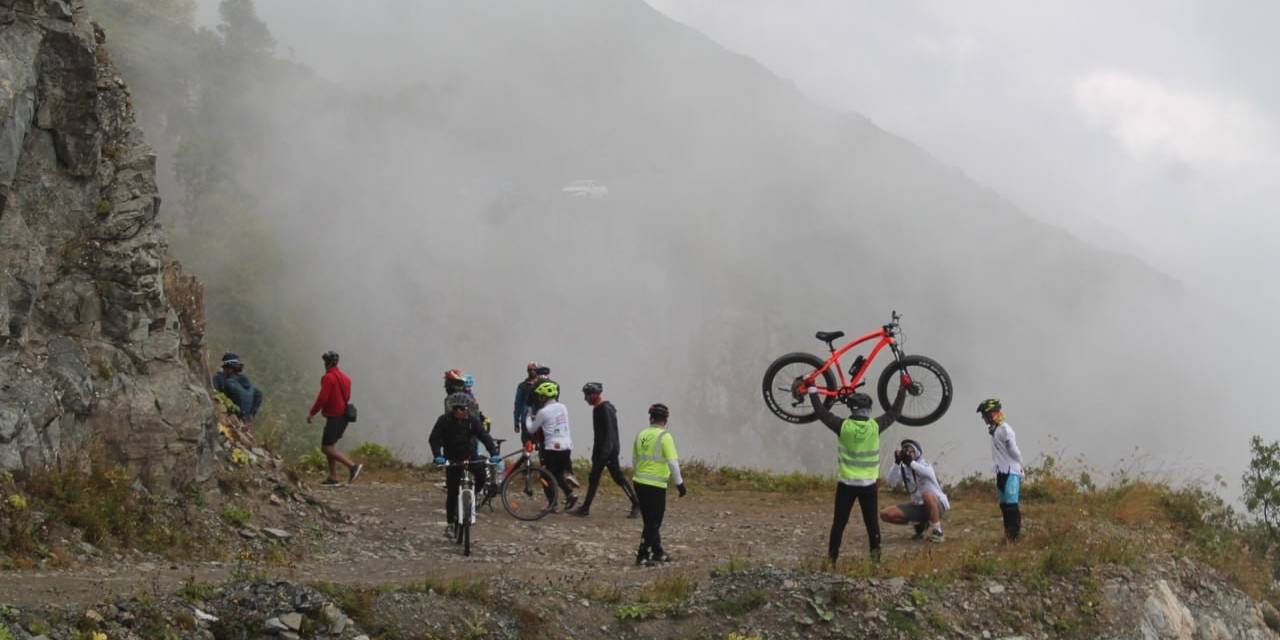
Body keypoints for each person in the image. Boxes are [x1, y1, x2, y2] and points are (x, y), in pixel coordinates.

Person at [807, 384, 907, 564]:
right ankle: (876, 563)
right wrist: (903, 388)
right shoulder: (875, 426)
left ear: (851, 409)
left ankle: (831, 561)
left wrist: (812, 390)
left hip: (846, 484)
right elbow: (895, 412)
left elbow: (822, 413)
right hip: (868, 485)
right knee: (872, 524)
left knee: (839, 524)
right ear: (868, 409)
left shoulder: (843, 426)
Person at [430, 392, 501, 538]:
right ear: (454, 409)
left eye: (466, 408)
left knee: (482, 476)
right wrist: (438, 456)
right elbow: (434, 439)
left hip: (470, 457)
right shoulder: (444, 421)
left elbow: (484, 436)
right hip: (453, 460)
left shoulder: (472, 421)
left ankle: (473, 497)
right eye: (462, 409)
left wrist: (493, 453)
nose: (465, 411)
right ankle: (450, 524)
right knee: (452, 492)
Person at [572, 382, 640, 518]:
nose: (585, 399)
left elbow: (610, 433)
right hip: (601, 451)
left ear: (595, 395)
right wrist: (596, 452)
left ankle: (636, 503)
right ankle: (585, 508)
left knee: (618, 478)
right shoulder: (597, 409)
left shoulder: (605, 409)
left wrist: (605, 453)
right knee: (594, 478)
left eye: (587, 395)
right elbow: (599, 435)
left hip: (608, 451)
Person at [631, 402, 685, 566]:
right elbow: (673, 462)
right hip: (655, 485)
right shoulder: (665, 437)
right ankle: (642, 555)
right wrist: (679, 484)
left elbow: (634, 459)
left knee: (649, 519)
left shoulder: (641, 434)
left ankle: (657, 551)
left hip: (639, 482)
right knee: (654, 521)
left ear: (651, 418)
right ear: (666, 420)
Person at [307, 351, 363, 486]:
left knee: (326, 448)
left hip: (334, 417)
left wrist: (312, 413)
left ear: (328, 363)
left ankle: (352, 466)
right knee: (330, 445)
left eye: (325, 362)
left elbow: (322, 398)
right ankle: (333, 477)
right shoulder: (346, 379)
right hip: (343, 416)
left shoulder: (328, 378)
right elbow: (347, 397)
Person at [880, 438, 950, 543]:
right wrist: (897, 463)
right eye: (905, 451)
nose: (908, 453)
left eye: (910, 451)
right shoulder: (905, 470)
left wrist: (911, 463)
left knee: (927, 495)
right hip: (919, 506)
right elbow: (891, 482)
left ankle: (938, 532)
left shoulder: (923, 463)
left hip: (937, 504)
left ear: (916, 452)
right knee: (885, 514)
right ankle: (920, 523)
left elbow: (927, 473)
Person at [524, 380, 578, 511]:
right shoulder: (563, 407)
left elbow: (531, 429)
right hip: (566, 447)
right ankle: (570, 494)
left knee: (545, 476)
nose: (539, 399)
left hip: (552, 448)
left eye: (540, 396)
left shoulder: (543, 412)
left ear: (544, 397)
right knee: (558, 474)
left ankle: (552, 504)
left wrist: (528, 418)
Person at [978, 398, 1023, 541]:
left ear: (992, 413)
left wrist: (1020, 463)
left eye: (984, 415)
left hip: (1011, 471)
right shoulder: (995, 429)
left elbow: (1014, 450)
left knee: (1011, 505)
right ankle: (1008, 535)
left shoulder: (1005, 429)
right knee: (1004, 505)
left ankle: (1014, 537)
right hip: (1001, 471)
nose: (983, 418)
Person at [211, 352, 263, 425]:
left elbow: (214, 393)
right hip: (244, 420)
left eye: (224, 368)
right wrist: (251, 415)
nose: (223, 370)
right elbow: (259, 394)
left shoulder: (223, 380)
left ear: (230, 368)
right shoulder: (245, 381)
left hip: (232, 418)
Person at [513, 362, 547, 434]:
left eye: (534, 370)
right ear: (527, 371)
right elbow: (518, 404)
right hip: (526, 418)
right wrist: (516, 422)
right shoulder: (522, 386)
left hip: (540, 418)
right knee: (526, 439)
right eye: (530, 370)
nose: (532, 371)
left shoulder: (543, 385)